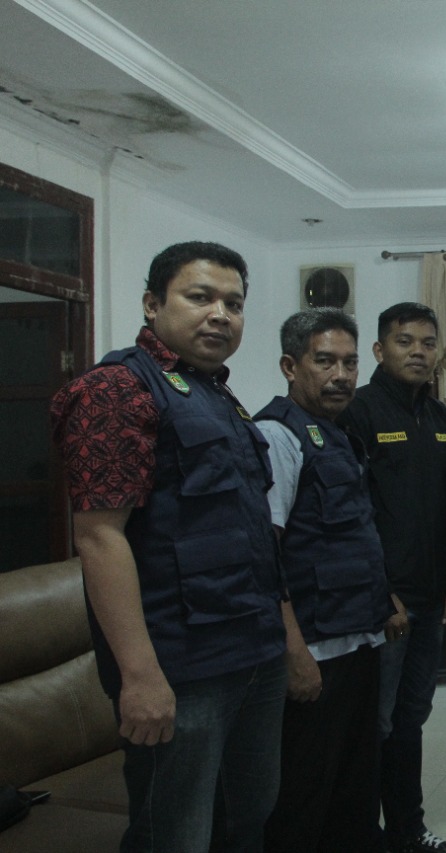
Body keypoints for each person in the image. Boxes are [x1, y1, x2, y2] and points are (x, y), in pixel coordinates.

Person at [50, 241, 286, 853]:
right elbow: (99, 536)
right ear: (153, 304)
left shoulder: (216, 393)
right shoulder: (117, 389)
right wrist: (140, 675)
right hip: (182, 666)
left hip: (252, 649)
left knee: (248, 818)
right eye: (200, 297)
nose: (220, 315)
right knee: (175, 834)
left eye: (234, 303)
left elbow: (249, 530)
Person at [256, 309, 396, 853]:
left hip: (357, 641)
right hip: (314, 650)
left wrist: (385, 601)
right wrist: (294, 653)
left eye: (350, 363)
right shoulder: (277, 435)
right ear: (291, 366)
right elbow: (265, 556)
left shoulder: (336, 434)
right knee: (304, 799)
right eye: (325, 362)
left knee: (354, 793)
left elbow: (349, 537)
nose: (341, 375)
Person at [337, 303, 446, 853]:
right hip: (384, 603)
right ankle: (362, 835)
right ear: (379, 350)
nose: (418, 351)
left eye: (427, 343)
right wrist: (379, 591)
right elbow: (351, 514)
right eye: (404, 341)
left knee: (412, 719)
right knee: (376, 724)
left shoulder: (439, 418)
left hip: (432, 597)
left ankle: (408, 832)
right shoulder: (357, 411)